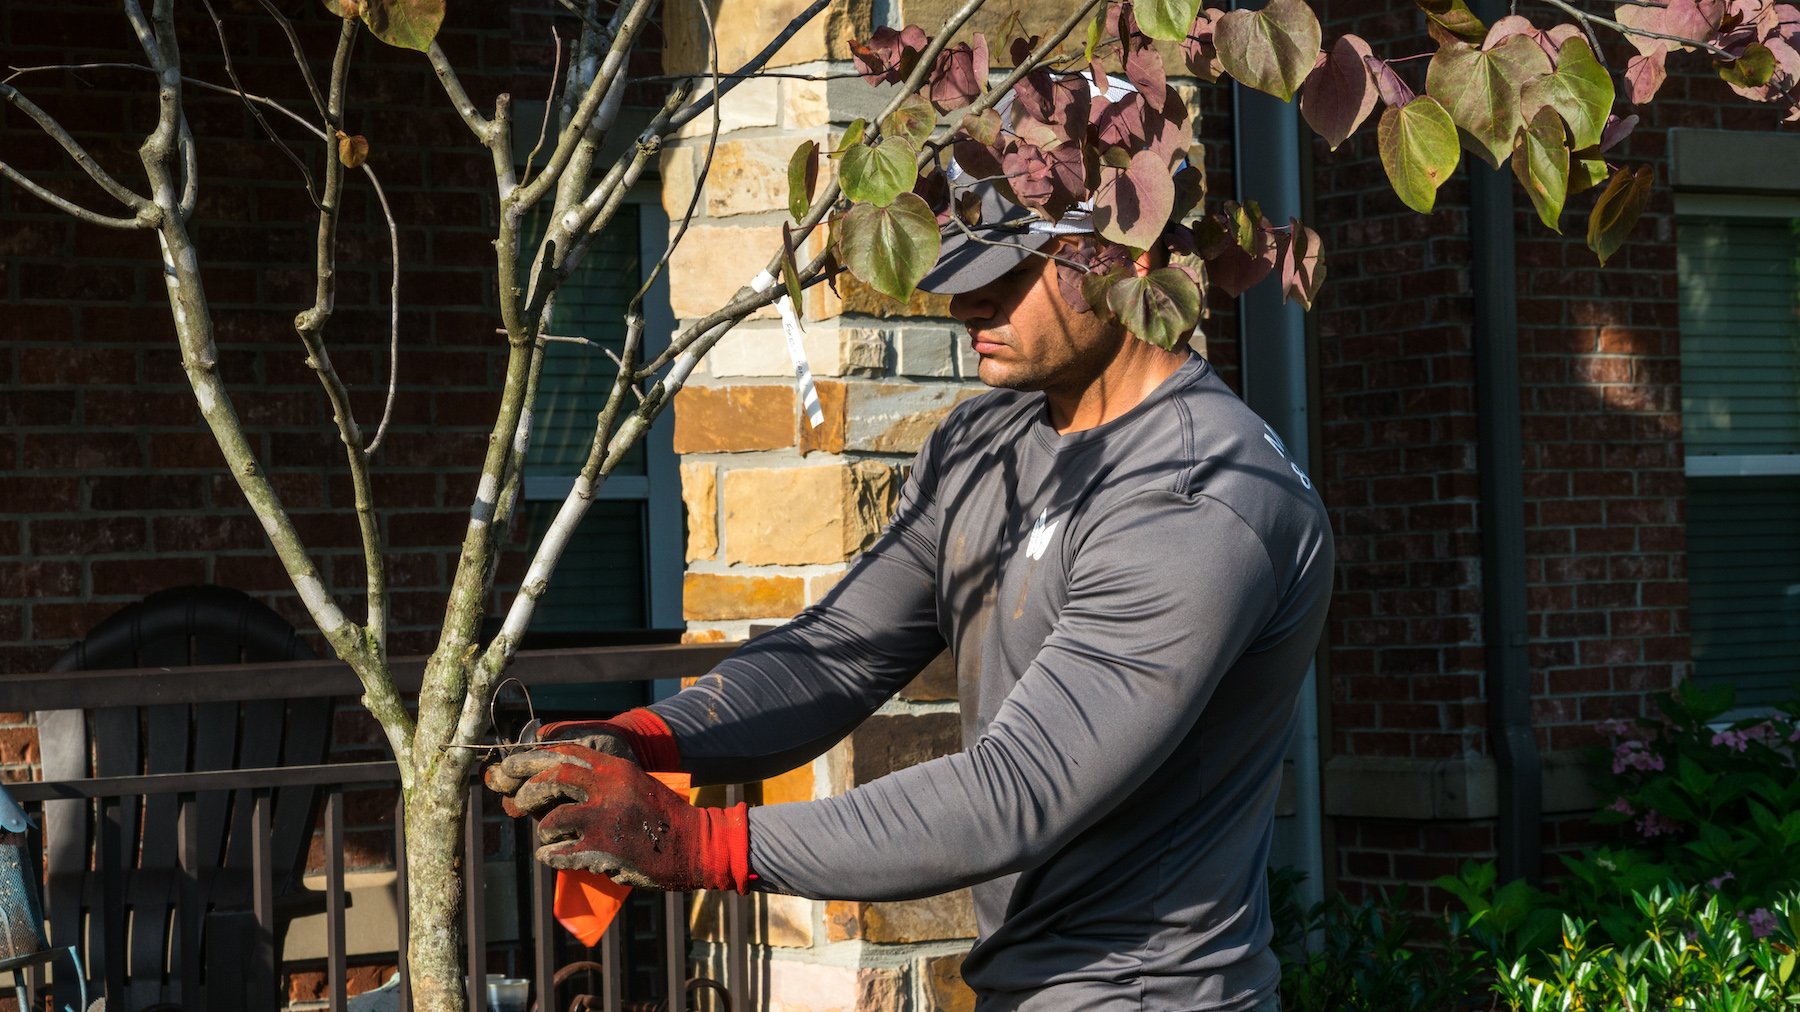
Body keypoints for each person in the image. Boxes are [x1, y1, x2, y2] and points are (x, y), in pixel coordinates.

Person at [486, 149, 1334, 1012]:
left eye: (1009, 273)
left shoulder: (1198, 498)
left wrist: (695, 842)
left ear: (1131, 254)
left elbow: (1020, 789)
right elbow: (838, 654)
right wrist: (642, 738)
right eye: (963, 271)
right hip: (1023, 986)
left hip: (1148, 995)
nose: (967, 304)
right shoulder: (985, 444)